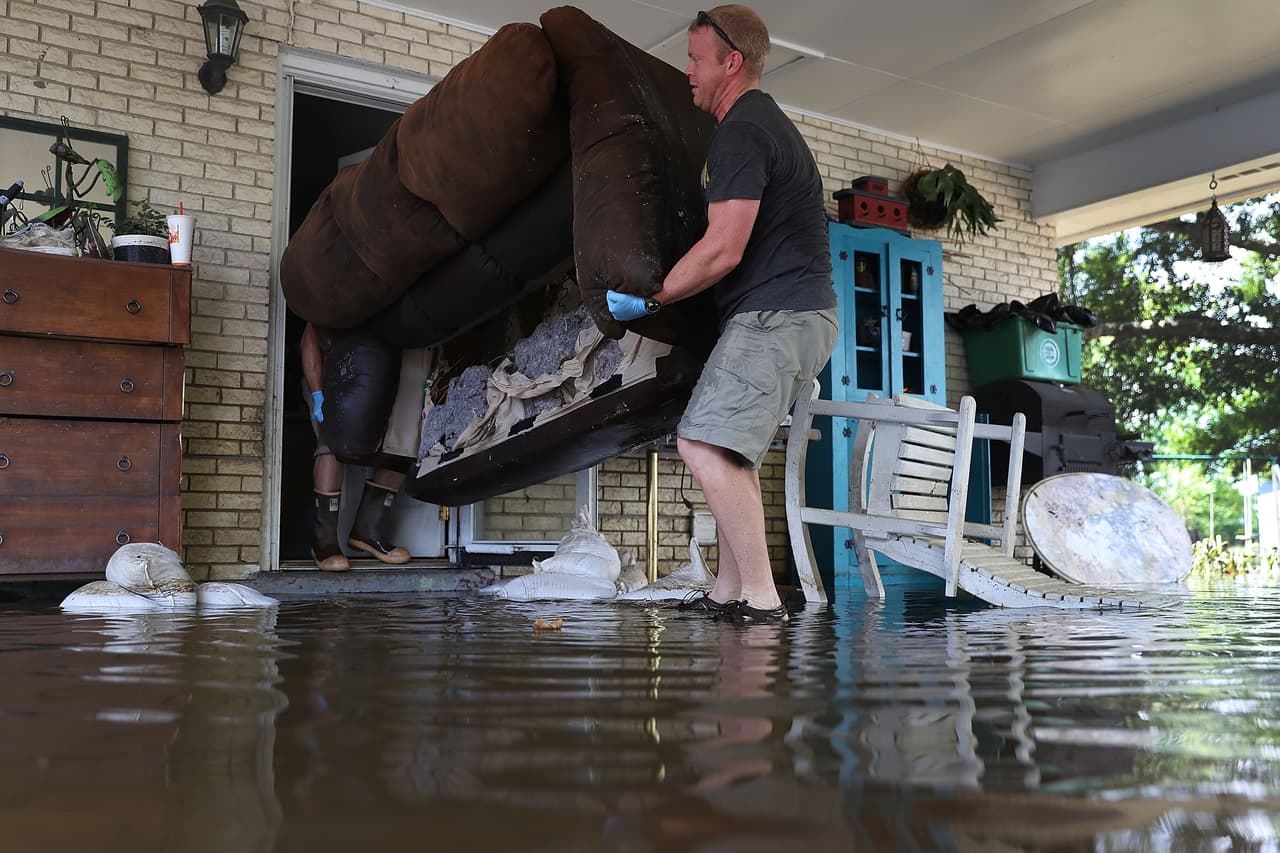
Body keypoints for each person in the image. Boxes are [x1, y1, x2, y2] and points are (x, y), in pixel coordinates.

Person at [605, 5, 838, 624]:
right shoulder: (764, 125)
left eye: (695, 59)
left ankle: (760, 600)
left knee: (701, 445)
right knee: (732, 454)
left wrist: (652, 297)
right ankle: (727, 593)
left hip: (776, 316)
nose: (687, 71)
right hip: (798, 317)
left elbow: (722, 248)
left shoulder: (743, 129)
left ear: (731, 62)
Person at [301, 322, 411, 571]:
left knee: (403, 444)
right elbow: (310, 337)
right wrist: (317, 393)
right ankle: (324, 542)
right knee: (331, 444)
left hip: (388, 369)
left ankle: (367, 530)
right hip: (336, 375)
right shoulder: (339, 291)